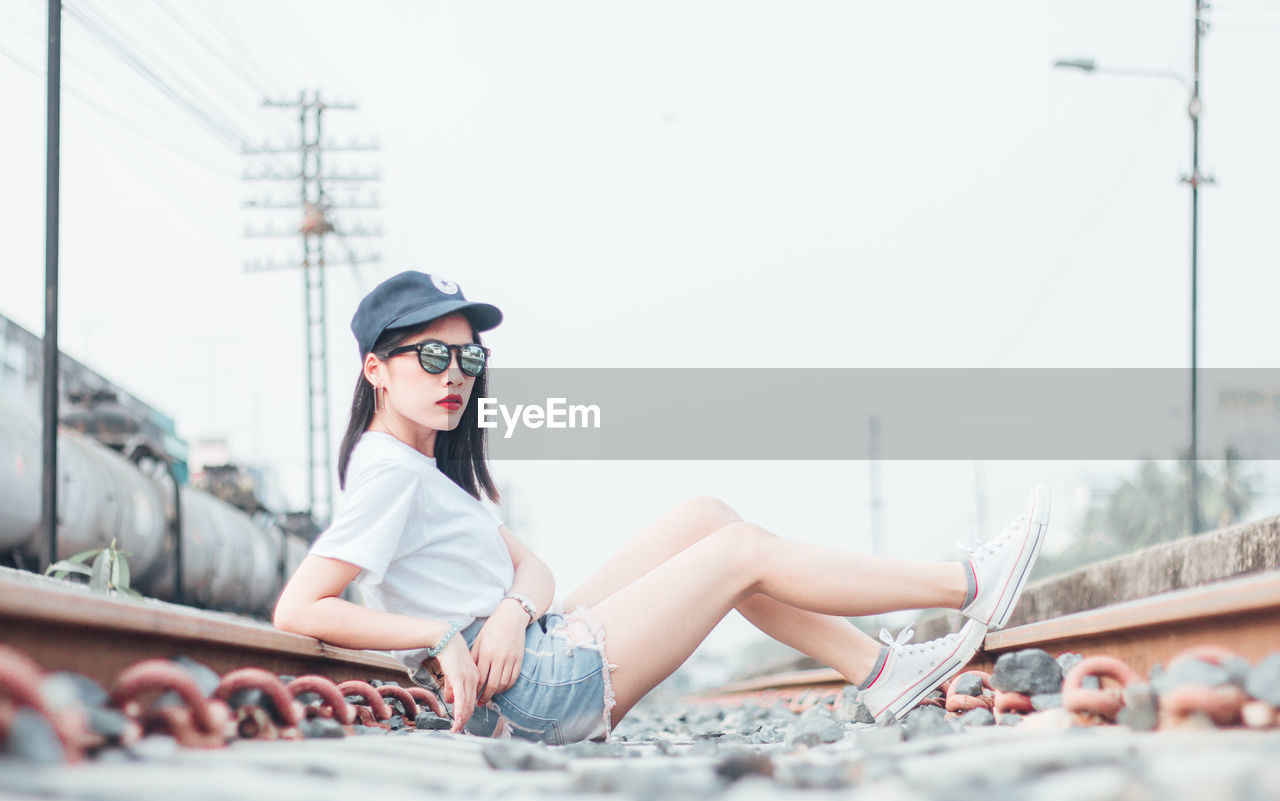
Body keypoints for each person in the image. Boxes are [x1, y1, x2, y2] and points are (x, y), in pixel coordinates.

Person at [273, 270, 1051, 745]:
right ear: (376, 369)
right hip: (531, 695)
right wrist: (439, 634)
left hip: (531, 648)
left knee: (707, 517)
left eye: (470, 357)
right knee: (740, 550)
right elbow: (301, 607)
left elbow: (535, 568)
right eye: (433, 356)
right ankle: (967, 584)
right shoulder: (388, 472)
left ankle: (877, 671)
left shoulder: (424, 466)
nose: (457, 375)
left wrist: (510, 611)